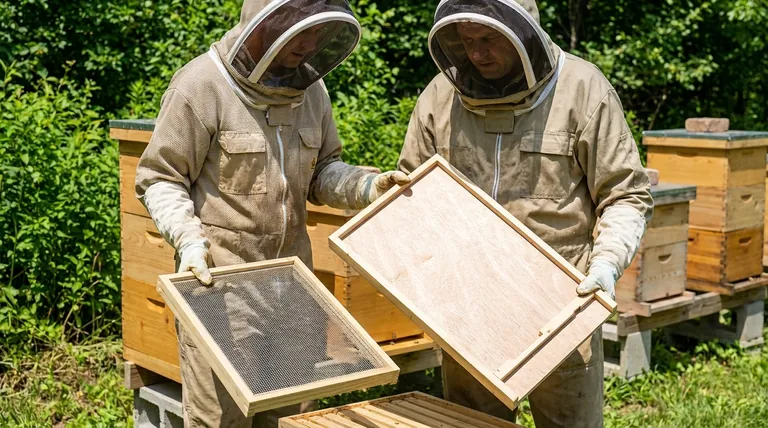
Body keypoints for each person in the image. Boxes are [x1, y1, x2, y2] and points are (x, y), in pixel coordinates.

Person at [134, 0, 409, 427]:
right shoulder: (202, 85)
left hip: (293, 286)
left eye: (317, 32)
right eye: (300, 31)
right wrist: (188, 241)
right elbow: (160, 177)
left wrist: (366, 186)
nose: (310, 44)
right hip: (220, 290)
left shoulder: (312, 92)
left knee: (286, 416)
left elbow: (322, 172)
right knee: (219, 418)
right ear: (267, 23)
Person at [397, 0, 653, 426]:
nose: (477, 53)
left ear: (522, 32)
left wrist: (607, 263)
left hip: (562, 307)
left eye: (490, 39)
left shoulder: (583, 89)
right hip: (469, 306)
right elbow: (411, 194)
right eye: (467, 41)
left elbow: (625, 194)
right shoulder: (440, 97)